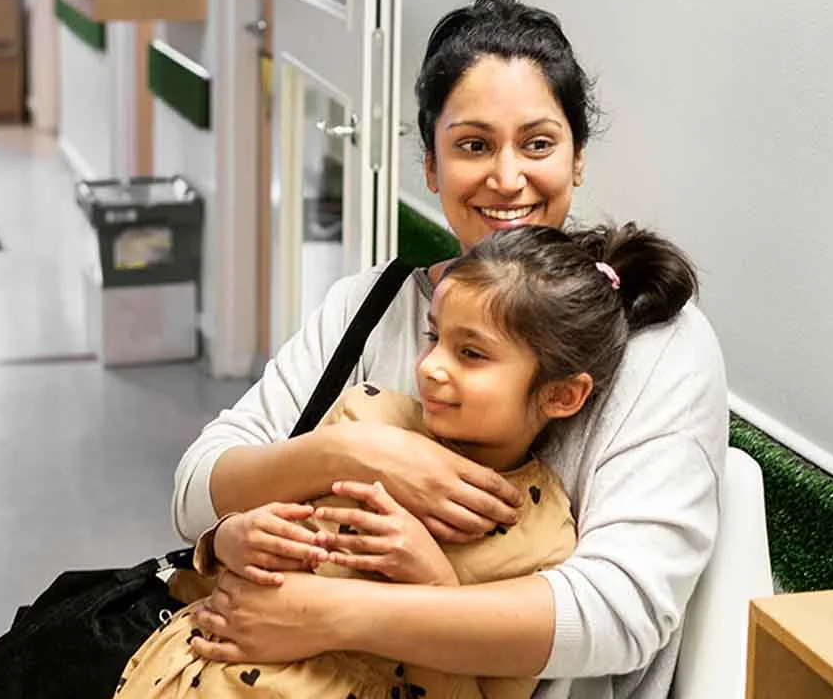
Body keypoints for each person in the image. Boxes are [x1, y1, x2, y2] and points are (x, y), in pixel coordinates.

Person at [171, 0, 728, 699]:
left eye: (537, 143)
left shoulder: (658, 348)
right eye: (472, 145)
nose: (506, 177)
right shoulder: (367, 307)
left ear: (577, 158)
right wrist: (355, 451)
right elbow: (196, 491)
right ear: (430, 166)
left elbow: (619, 611)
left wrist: (332, 616)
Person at [117, 224, 698, 699]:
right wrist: (228, 541)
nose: (431, 367)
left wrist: (434, 582)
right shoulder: (367, 415)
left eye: (470, 353)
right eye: (432, 337)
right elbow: (231, 556)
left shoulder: (541, 537)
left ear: (562, 395)